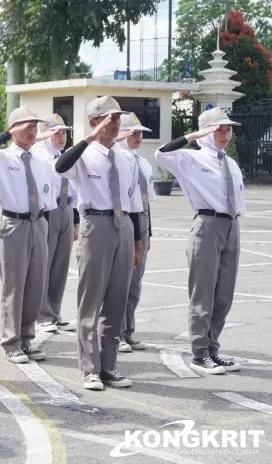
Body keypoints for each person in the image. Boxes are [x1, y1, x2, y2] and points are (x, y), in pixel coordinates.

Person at [54, 96, 143, 391]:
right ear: (94, 122)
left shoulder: (126, 156)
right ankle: (90, 368)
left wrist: (138, 240)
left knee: (117, 299)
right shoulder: (83, 154)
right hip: (96, 222)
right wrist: (88, 138)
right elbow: (60, 166)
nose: (117, 123)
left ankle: (109, 366)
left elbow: (134, 201)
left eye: (118, 117)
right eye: (109, 118)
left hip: (124, 224)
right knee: (91, 299)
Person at [154, 107, 245, 375]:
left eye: (228, 129)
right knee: (203, 293)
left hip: (231, 226)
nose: (225, 134)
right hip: (207, 225)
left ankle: (213, 349)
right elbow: (161, 153)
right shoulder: (191, 159)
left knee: (224, 294)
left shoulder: (230, 162)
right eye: (219, 129)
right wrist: (193, 135)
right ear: (206, 132)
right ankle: (200, 352)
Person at [0, 107, 55, 363]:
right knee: (14, 287)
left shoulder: (42, 160)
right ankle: (11, 341)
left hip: (38, 223)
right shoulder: (1, 158)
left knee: (35, 285)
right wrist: (5, 134)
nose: (32, 129)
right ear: (13, 128)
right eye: (26, 125)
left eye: (35, 125)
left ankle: (27, 338)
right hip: (14, 223)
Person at [32, 114, 78, 333]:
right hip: (49, 211)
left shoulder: (67, 156)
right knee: (45, 264)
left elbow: (76, 188)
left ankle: (55, 311)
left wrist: (76, 219)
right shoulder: (40, 156)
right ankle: (42, 315)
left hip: (67, 208)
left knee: (61, 265)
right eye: (57, 133)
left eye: (64, 132)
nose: (62, 137)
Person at [115, 114, 155, 353]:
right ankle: (116, 332)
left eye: (140, 132)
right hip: (126, 219)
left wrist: (148, 232)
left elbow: (146, 203)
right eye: (133, 132)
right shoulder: (118, 160)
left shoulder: (142, 162)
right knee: (120, 282)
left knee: (135, 284)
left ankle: (128, 330)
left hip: (142, 220)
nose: (138, 136)